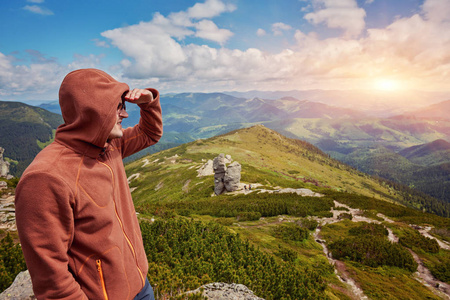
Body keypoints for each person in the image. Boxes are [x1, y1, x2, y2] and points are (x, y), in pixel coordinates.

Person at [15, 68, 163, 300]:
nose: (124, 115)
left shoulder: (110, 146)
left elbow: (150, 133)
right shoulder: (45, 177)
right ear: (94, 111)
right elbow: (51, 279)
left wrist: (148, 103)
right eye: (117, 107)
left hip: (141, 287)